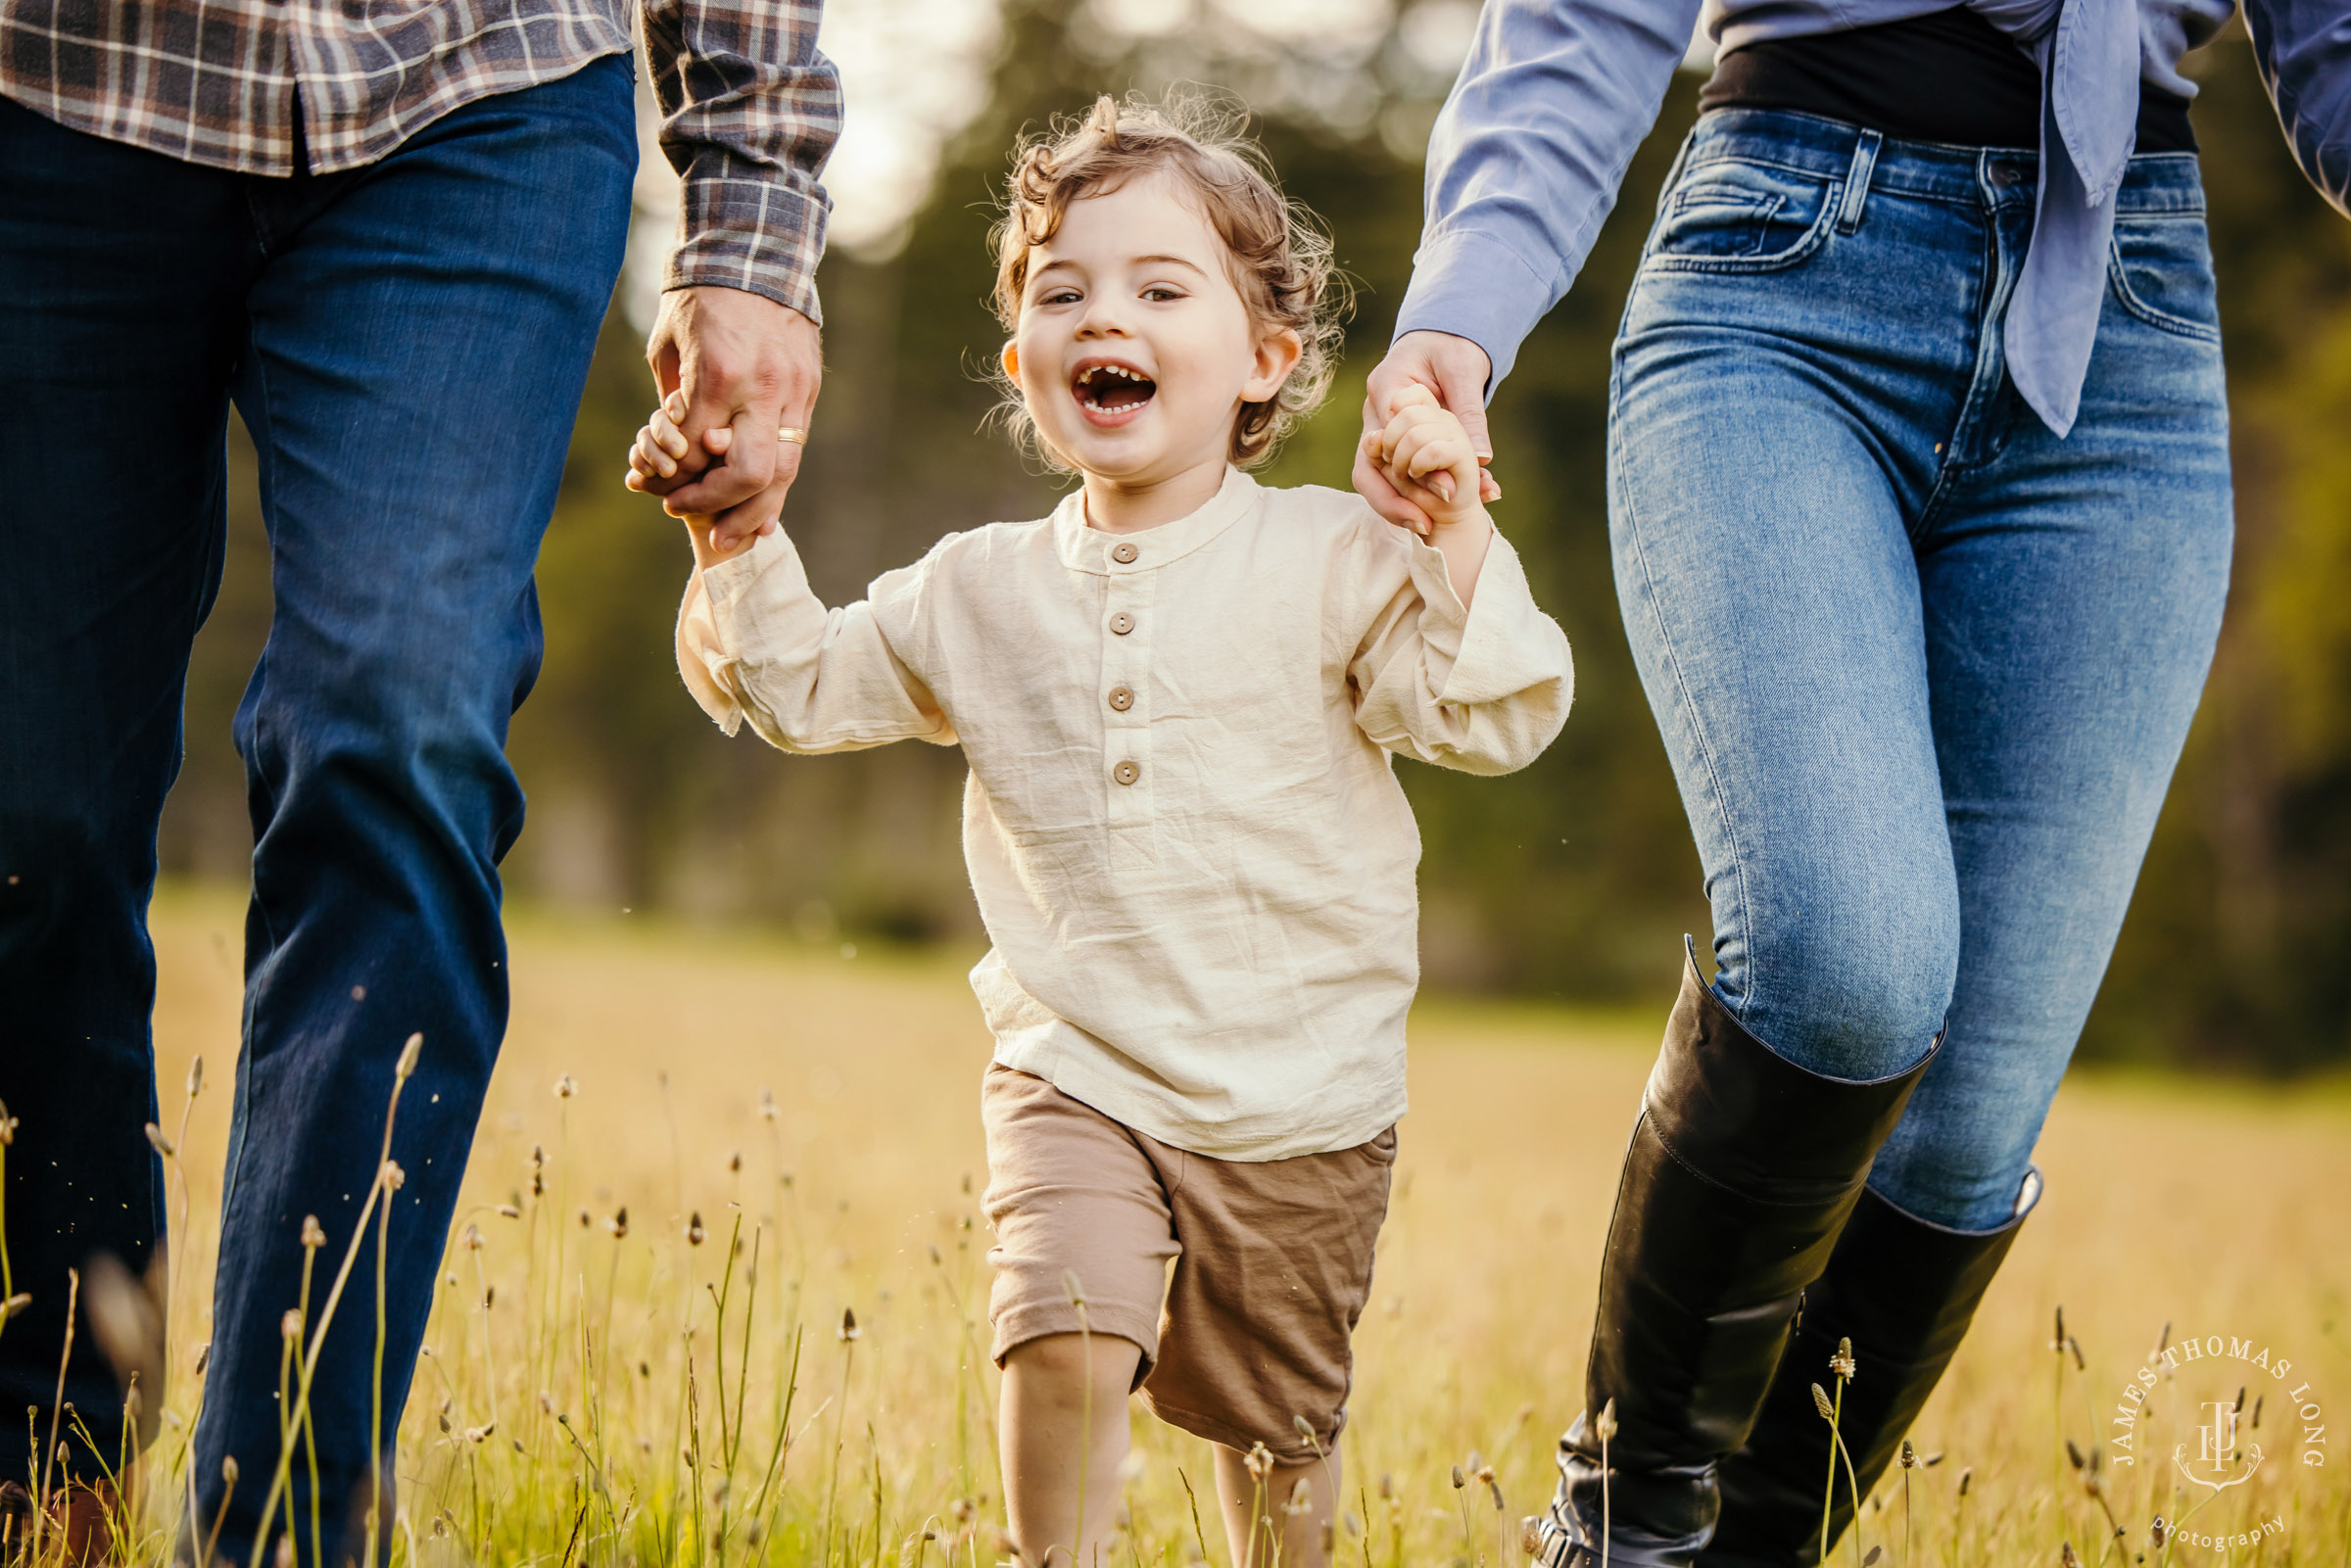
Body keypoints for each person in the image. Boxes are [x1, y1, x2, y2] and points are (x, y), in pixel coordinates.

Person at [1354, 1, 2351, 1563]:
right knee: (1846, 958)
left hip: (2128, 324)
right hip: (1785, 264)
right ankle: (1611, 1536)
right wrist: (1461, 311)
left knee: (1964, 1135)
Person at [634, 96, 1573, 1568]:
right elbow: (803, 683)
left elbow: (1491, 715)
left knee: (1280, 1444)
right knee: (1061, 1328)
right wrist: (737, 538)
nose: (1099, 315)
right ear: (1024, 367)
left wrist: (1449, 533)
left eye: (1155, 286)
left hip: (1303, 1100)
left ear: (1265, 356)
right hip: (1078, 1066)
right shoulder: (979, 589)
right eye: (1060, 292)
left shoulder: (1333, 554)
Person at [0, 0, 838, 1552]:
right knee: (22, 817)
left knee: (400, 726)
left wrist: (752, 204)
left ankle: (285, 1524)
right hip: (54, 91)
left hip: (476, 90)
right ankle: (40, 1459)